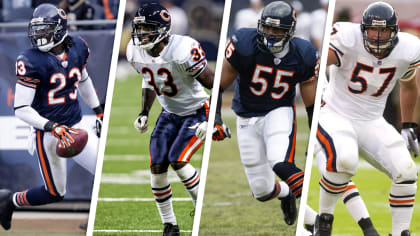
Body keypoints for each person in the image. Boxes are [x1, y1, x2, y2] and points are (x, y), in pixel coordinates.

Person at [314, 2, 419, 236]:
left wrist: (409, 126)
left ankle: (400, 232)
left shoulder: (409, 48)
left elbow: (409, 86)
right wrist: (316, 101)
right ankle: (324, 221)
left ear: (395, 31)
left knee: (406, 171)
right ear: (363, 29)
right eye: (373, 30)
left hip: (372, 119)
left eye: (384, 31)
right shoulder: (347, 37)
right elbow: (315, 67)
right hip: (336, 112)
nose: (379, 36)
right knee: (344, 160)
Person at [127, 3, 229, 235]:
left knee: (179, 160)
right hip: (168, 113)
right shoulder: (135, 51)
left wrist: (214, 120)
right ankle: (170, 225)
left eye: (147, 28)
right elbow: (149, 77)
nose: (141, 34)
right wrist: (144, 111)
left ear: (162, 29)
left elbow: (216, 84)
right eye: (139, 28)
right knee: (157, 166)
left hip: (196, 110)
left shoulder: (183, 49)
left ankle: (199, 209)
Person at [0, 3, 103, 230]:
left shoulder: (78, 46)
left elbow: (83, 79)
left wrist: (98, 110)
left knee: (102, 169)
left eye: (45, 30)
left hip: (74, 127)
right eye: (36, 30)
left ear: (59, 29)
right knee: (55, 193)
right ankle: (9, 201)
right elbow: (21, 108)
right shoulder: (30, 60)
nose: (39, 35)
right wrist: (52, 127)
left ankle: (95, 218)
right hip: (47, 132)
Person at [221, 1, 317, 226]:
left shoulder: (303, 53)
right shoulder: (244, 43)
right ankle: (286, 194)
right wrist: (215, 118)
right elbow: (219, 85)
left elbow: (309, 95)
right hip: (245, 116)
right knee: (262, 191)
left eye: (278, 30)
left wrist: (314, 131)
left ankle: (316, 221)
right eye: (268, 28)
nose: (271, 34)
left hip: (278, 110)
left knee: (280, 162)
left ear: (290, 31)